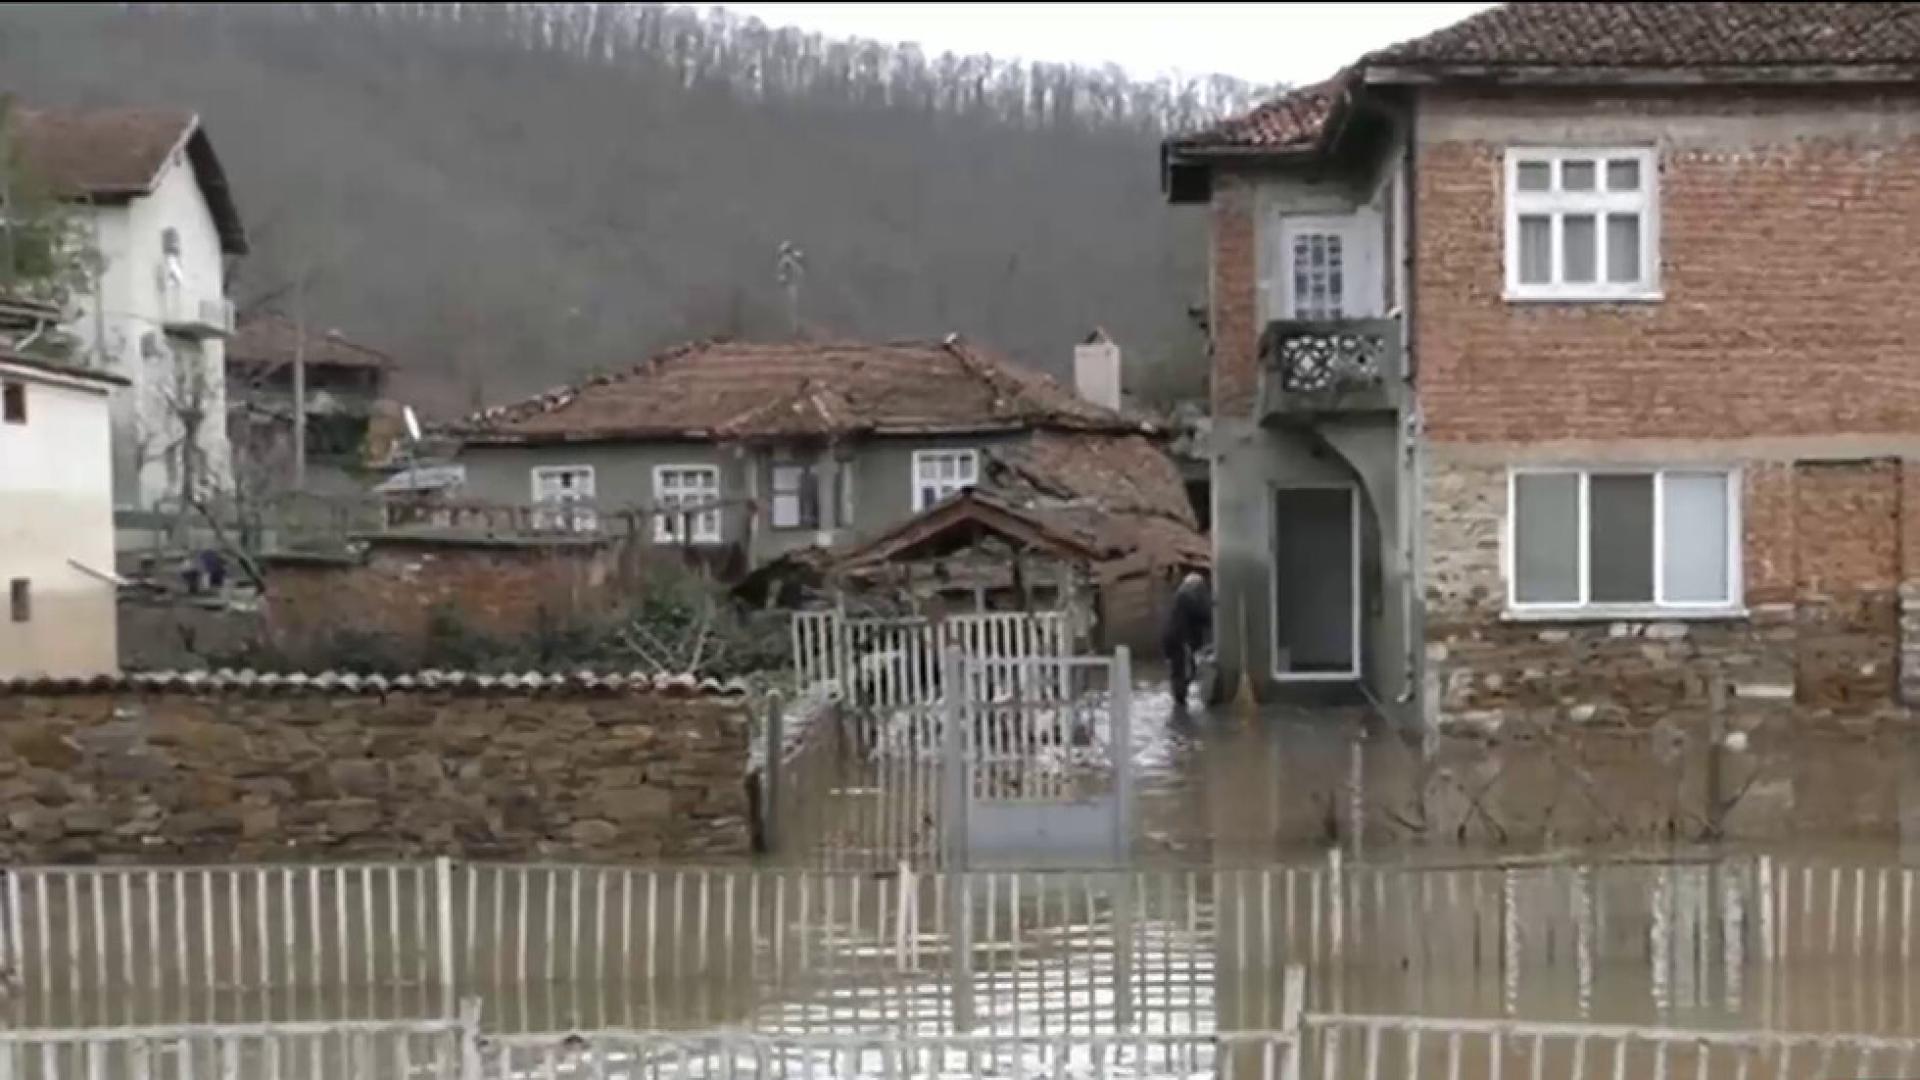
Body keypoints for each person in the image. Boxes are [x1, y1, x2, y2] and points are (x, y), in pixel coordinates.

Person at [1162, 569, 1212, 710]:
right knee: (1184, 669)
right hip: (1179, 639)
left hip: (1172, 637)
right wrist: (1213, 606)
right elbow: (1203, 614)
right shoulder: (1186, 596)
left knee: (1180, 668)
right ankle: (1180, 699)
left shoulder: (1180, 595)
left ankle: (1179, 697)